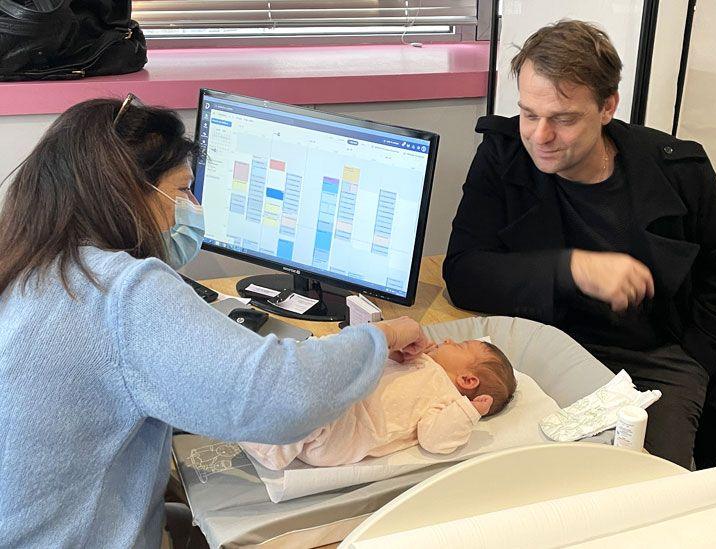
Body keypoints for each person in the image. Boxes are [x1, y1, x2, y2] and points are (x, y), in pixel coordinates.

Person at [0, 97, 433, 548]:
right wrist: (382, 335)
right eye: (182, 190)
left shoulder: (29, 262)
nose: (190, 206)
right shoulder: (124, 293)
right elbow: (285, 396)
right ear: (130, 195)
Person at [443, 19, 716, 467]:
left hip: (655, 358)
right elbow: (465, 273)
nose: (541, 136)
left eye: (564, 119)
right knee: (511, 477)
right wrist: (572, 269)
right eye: (529, 114)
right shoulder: (503, 156)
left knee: (648, 484)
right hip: (542, 345)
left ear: (608, 107)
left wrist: (697, 355)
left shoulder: (678, 170)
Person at [241, 339, 517, 469]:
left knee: (312, 409)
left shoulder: (449, 399)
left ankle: (269, 449)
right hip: (351, 395)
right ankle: (258, 412)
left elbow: (435, 439)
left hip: (354, 429)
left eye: (458, 345)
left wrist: (468, 411)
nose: (447, 340)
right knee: (304, 382)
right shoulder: (422, 360)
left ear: (468, 380)